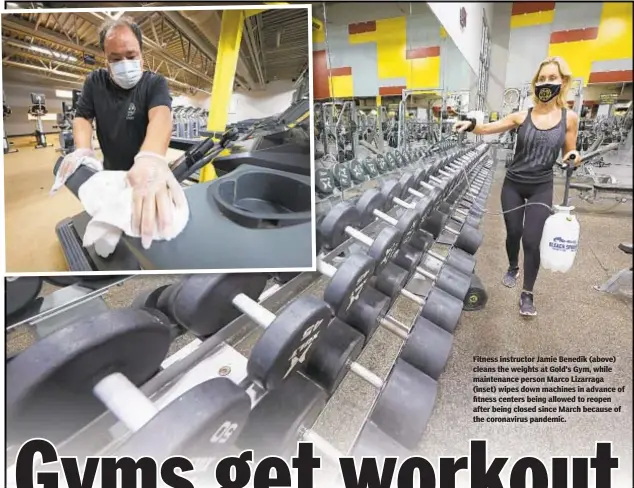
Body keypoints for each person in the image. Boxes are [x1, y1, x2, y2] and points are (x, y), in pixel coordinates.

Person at [453, 56, 581, 317]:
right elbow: (488, 127)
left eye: (552, 78)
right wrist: (471, 124)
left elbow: (571, 150)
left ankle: (527, 294)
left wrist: (574, 157)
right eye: (542, 79)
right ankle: (513, 266)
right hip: (513, 184)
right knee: (513, 233)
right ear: (535, 84)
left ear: (563, 82)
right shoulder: (522, 116)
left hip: (541, 187)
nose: (546, 83)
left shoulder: (570, 118)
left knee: (532, 241)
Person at [58, 16, 185, 249]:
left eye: (131, 56)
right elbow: (82, 116)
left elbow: (161, 116)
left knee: (147, 233)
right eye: (115, 59)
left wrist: (150, 159)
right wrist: (83, 148)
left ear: (142, 56)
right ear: (106, 60)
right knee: (113, 238)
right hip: (112, 175)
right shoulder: (95, 82)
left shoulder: (154, 83)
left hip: (147, 174)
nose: (124, 63)